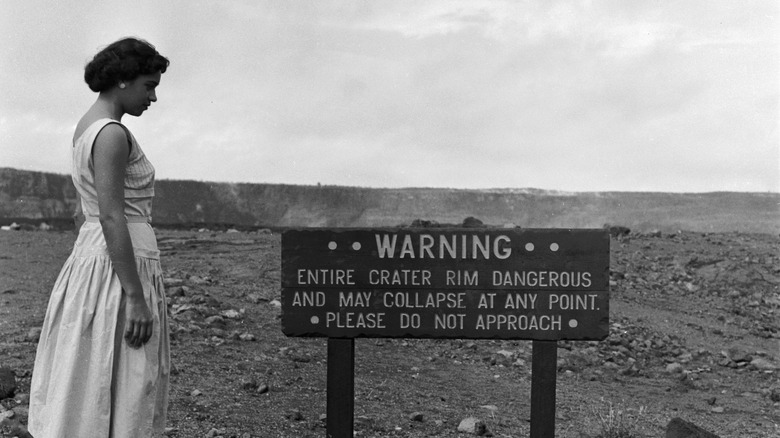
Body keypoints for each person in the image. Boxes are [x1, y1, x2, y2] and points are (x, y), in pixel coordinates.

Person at [28, 37, 171, 438]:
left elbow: (84, 212)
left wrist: (90, 268)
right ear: (123, 81)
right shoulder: (110, 134)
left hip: (95, 259)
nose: (154, 96)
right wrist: (135, 297)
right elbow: (111, 215)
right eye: (149, 85)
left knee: (92, 366)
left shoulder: (85, 126)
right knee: (125, 375)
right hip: (118, 262)